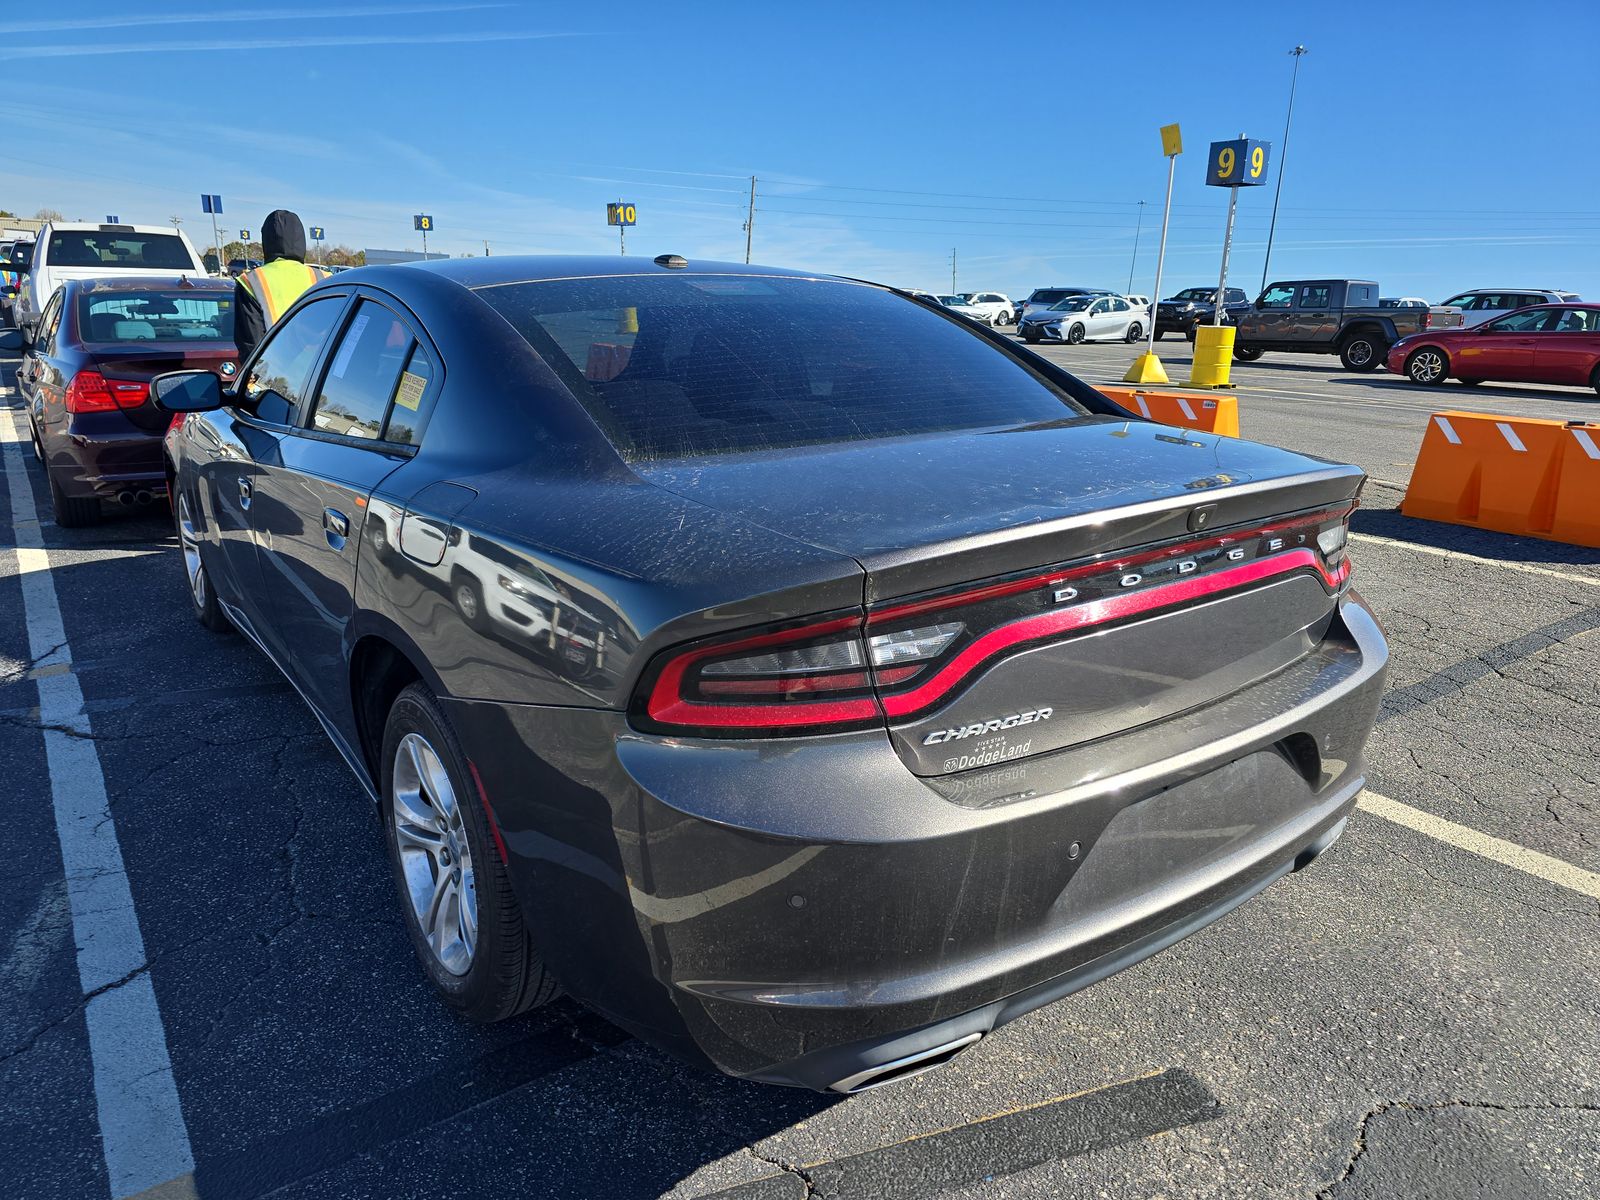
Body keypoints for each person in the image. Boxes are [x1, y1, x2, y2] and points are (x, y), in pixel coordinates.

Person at [233, 210, 328, 360]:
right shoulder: (324, 278)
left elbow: (251, 345)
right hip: (324, 373)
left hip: (278, 375)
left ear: (267, 241)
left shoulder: (251, 282)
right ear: (300, 239)